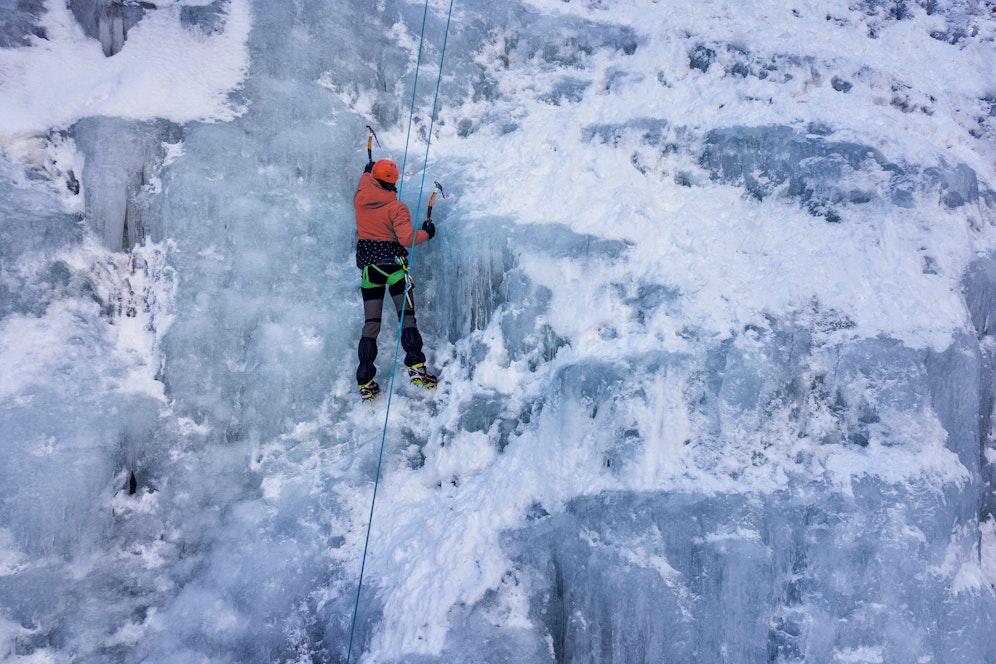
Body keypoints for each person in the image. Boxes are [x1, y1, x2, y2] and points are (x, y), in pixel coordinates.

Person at [353, 158, 438, 400]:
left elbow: (365, 181)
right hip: (394, 269)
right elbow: (407, 239)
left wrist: (367, 171)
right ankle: (416, 367)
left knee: (371, 324)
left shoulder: (360, 198)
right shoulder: (396, 208)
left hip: (370, 271)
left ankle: (365, 381)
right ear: (393, 182)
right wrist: (427, 232)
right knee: (406, 318)